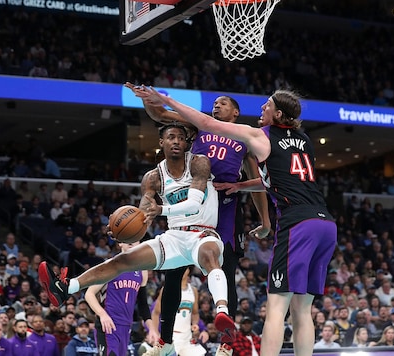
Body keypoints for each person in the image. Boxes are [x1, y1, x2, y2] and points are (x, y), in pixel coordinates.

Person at [133, 86, 337, 356]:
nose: (262, 108)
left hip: (295, 223)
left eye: (267, 105)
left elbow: (206, 122)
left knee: (276, 308)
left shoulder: (257, 135)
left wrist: (168, 98)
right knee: (302, 309)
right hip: (325, 223)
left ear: (277, 113)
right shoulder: (304, 139)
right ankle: (166, 340)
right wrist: (240, 187)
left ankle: (227, 344)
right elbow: (273, 180)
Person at [39, 123, 235, 356]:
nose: (176, 141)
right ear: (161, 143)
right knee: (122, 260)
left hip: (202, 232)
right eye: (170, 137)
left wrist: (159, 210)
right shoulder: (153, 178)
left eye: (180, 138)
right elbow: (143, 218)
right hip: (174, 238)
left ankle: (222, 311)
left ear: (186, 143)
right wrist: (123, 231)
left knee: (209, 255)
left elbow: (193, 205)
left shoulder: (198, 162)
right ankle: (65, 287)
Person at [125, 82, 271, 355]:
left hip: (224, 205)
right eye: (214, 103)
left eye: (223, 103)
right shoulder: (200, 125)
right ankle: (165, 343)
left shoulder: (244, 138)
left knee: (226, 274)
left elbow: (257, 181)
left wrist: (265, 221)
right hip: (192, 202)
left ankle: (227, 344)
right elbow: (162, 116)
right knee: (174, 275)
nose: (216, 106)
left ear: (236, 112)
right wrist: (146, 99)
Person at [85, 240, 158, 355]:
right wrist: (102, 315)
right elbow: (89, 294)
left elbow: (143, 304)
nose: (130, 242)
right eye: (126, 238)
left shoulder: (142, 271)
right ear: (120, 243)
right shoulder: (110, 265)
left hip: (126, 326)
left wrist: (152, 328)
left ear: (139, 243)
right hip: (108, 324)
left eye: (134, 238)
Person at [149, 267, 207, 356]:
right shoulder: (166, 289)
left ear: (189, 271)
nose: (182, 270)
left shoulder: (194, 291)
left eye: (185, 268)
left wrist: (195, 324)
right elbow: (156, 313)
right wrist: (156, 333)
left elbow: (195, 313)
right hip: (171, 336)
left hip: (187, 337)